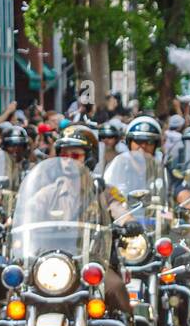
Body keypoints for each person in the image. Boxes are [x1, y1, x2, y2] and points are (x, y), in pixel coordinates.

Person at [50, 124, 132, 315]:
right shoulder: (48, 193)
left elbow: (119, 209)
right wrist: (5, 223)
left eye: (75, 155)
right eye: (64, 155)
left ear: (90, 158)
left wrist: (128, 222)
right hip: (54, 262)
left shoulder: (103, 190)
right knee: (20, 289)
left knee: (115, 287)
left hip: (92, 262)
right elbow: (26, 214)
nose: (68, 161)